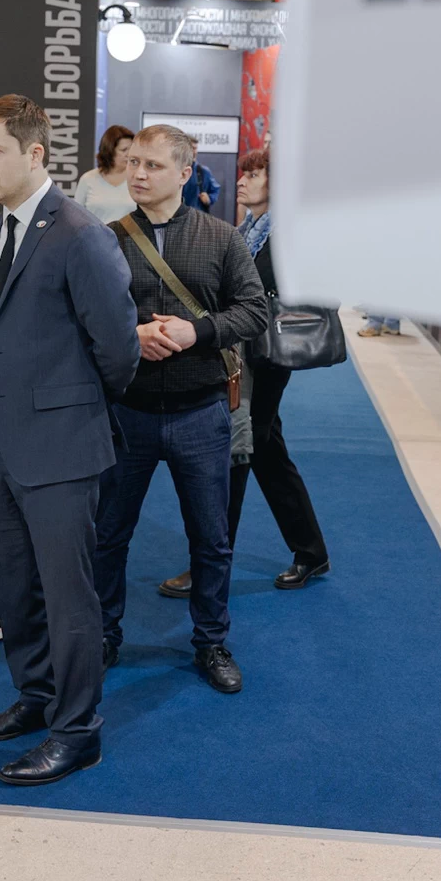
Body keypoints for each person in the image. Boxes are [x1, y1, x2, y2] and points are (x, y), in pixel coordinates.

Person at [0, 95, 139, 787]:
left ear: (35, 153)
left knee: (69, 597)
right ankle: (36, 695)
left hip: (61, 445)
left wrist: (68, 408)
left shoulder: (79, 233)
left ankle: (77, 730)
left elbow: (118, 350)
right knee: (14, 584)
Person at [93, 126, 267, 693]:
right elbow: (82, 317)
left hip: (201, 412)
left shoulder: (221, 237)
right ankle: (103, 635)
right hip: (128, 412)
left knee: (211, 539)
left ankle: (211, 641)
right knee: (108, 534)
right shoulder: (106, 240)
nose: (139, 174)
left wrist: (199, 332)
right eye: (133, 163)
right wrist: (132, 336)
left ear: (186, 173)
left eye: (153, 165)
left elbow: (254, 311)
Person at [159, 148, 329, 595]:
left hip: (266, 356)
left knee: (236, 449)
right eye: (244, 174)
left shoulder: (290, 233)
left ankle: (211, 564)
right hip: (241, 354)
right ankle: (311, 551)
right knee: (265, 449)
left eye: (255, 174)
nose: (243, 180)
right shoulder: (248, 229)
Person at [72, 125, 137, 223]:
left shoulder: (137, 179)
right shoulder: (88, 179)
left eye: (131, 149)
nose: (129, 155)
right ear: (109, 151)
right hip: (94, 233)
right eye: (124, 150)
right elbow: (75, 216)